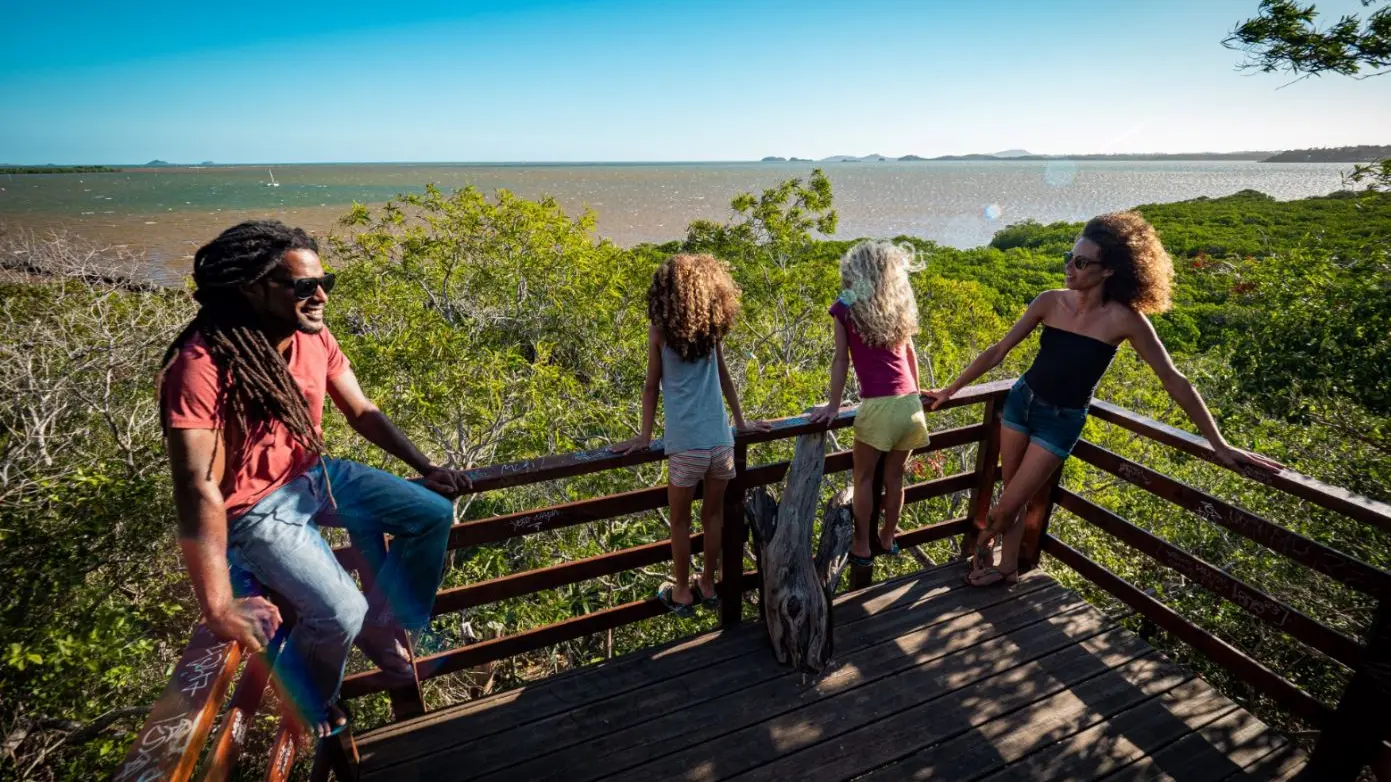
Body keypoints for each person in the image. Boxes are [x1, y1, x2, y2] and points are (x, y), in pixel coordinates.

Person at [158, 221, 468, 737]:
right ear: (250, 289)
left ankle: (382, 625)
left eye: (325, 282)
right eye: (303, 286)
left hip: (314, 473)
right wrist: (216, 605)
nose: (320, 295)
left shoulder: (313, 336)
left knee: (430, 514)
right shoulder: (201, 365)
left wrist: (426, 469)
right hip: (254, 509)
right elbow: (199, 486)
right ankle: (313, 705)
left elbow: (362, 410)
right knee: (338, 611)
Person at [923, 212, 1281, 587]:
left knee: (1006, 506)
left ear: (1108, 270)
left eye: (1080, 262)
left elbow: (1174, 380)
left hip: (1060, 421)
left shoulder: (1125, 320)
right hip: (1020, 403)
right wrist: (950, 389)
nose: (1069, 268)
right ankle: (1007, 567)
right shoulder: (1050, 301)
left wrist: (1218, 443)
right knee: (1013, 492)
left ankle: (985, 548)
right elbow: (998, 351)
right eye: (1069, 257)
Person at [612, 253, 769, 615]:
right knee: (713, 516)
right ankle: (709, 583)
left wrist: (644, 436)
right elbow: (725, 379)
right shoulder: (711, 331)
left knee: (680, 522)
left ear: (664, 294)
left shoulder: (659, 333)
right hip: (721, 444)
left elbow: (651, 387)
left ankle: (682, 590)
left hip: (686, 447)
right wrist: (741, 423)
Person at [809, 241, 930, 568]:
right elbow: (910, 354)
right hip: (910, 406)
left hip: (878, 407)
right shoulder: (898, 303)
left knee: (863, 479)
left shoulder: (845, 305)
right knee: (894, 479)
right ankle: (888, 538)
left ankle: (862, 545)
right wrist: (917, 395)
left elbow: (840, 361)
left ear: (854, 270)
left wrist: (833, 407)